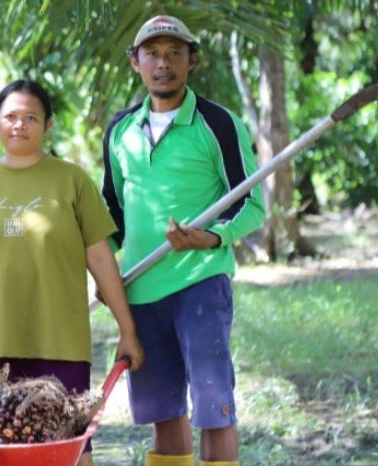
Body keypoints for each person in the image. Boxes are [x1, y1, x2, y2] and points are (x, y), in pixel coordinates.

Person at [0, 79, 144, 466]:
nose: (19, 125)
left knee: (69, 450)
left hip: (61, 343)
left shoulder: (72, 181)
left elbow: (102, 258)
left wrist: (128, 330)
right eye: (10, 117)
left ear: (48, 125)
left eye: (30, 117)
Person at [101, 15, 266, 466]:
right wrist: (96, 266)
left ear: (192, 60)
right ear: (135, 62)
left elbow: (252, 205)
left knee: (214, 410)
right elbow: (111, 215)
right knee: (164, 412)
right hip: (141, 288)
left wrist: (210, 238)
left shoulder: (218, 123)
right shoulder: (120, 131)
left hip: (201, 285)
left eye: (175, 53)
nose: (163, 63)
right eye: (152, 53)